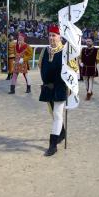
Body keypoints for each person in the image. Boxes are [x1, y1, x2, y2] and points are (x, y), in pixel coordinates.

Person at [38, 25, 78, 156]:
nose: (51, 38)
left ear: (60, 37)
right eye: (49, 35)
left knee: (57, 114)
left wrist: (71, 87)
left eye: (54, 35)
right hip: (47, 86)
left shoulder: (66, 52)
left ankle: (53, 145)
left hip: (61, 87)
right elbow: (40, 66)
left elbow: (74, 70)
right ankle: (62, 133)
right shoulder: (45, 51)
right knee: (53, 113)